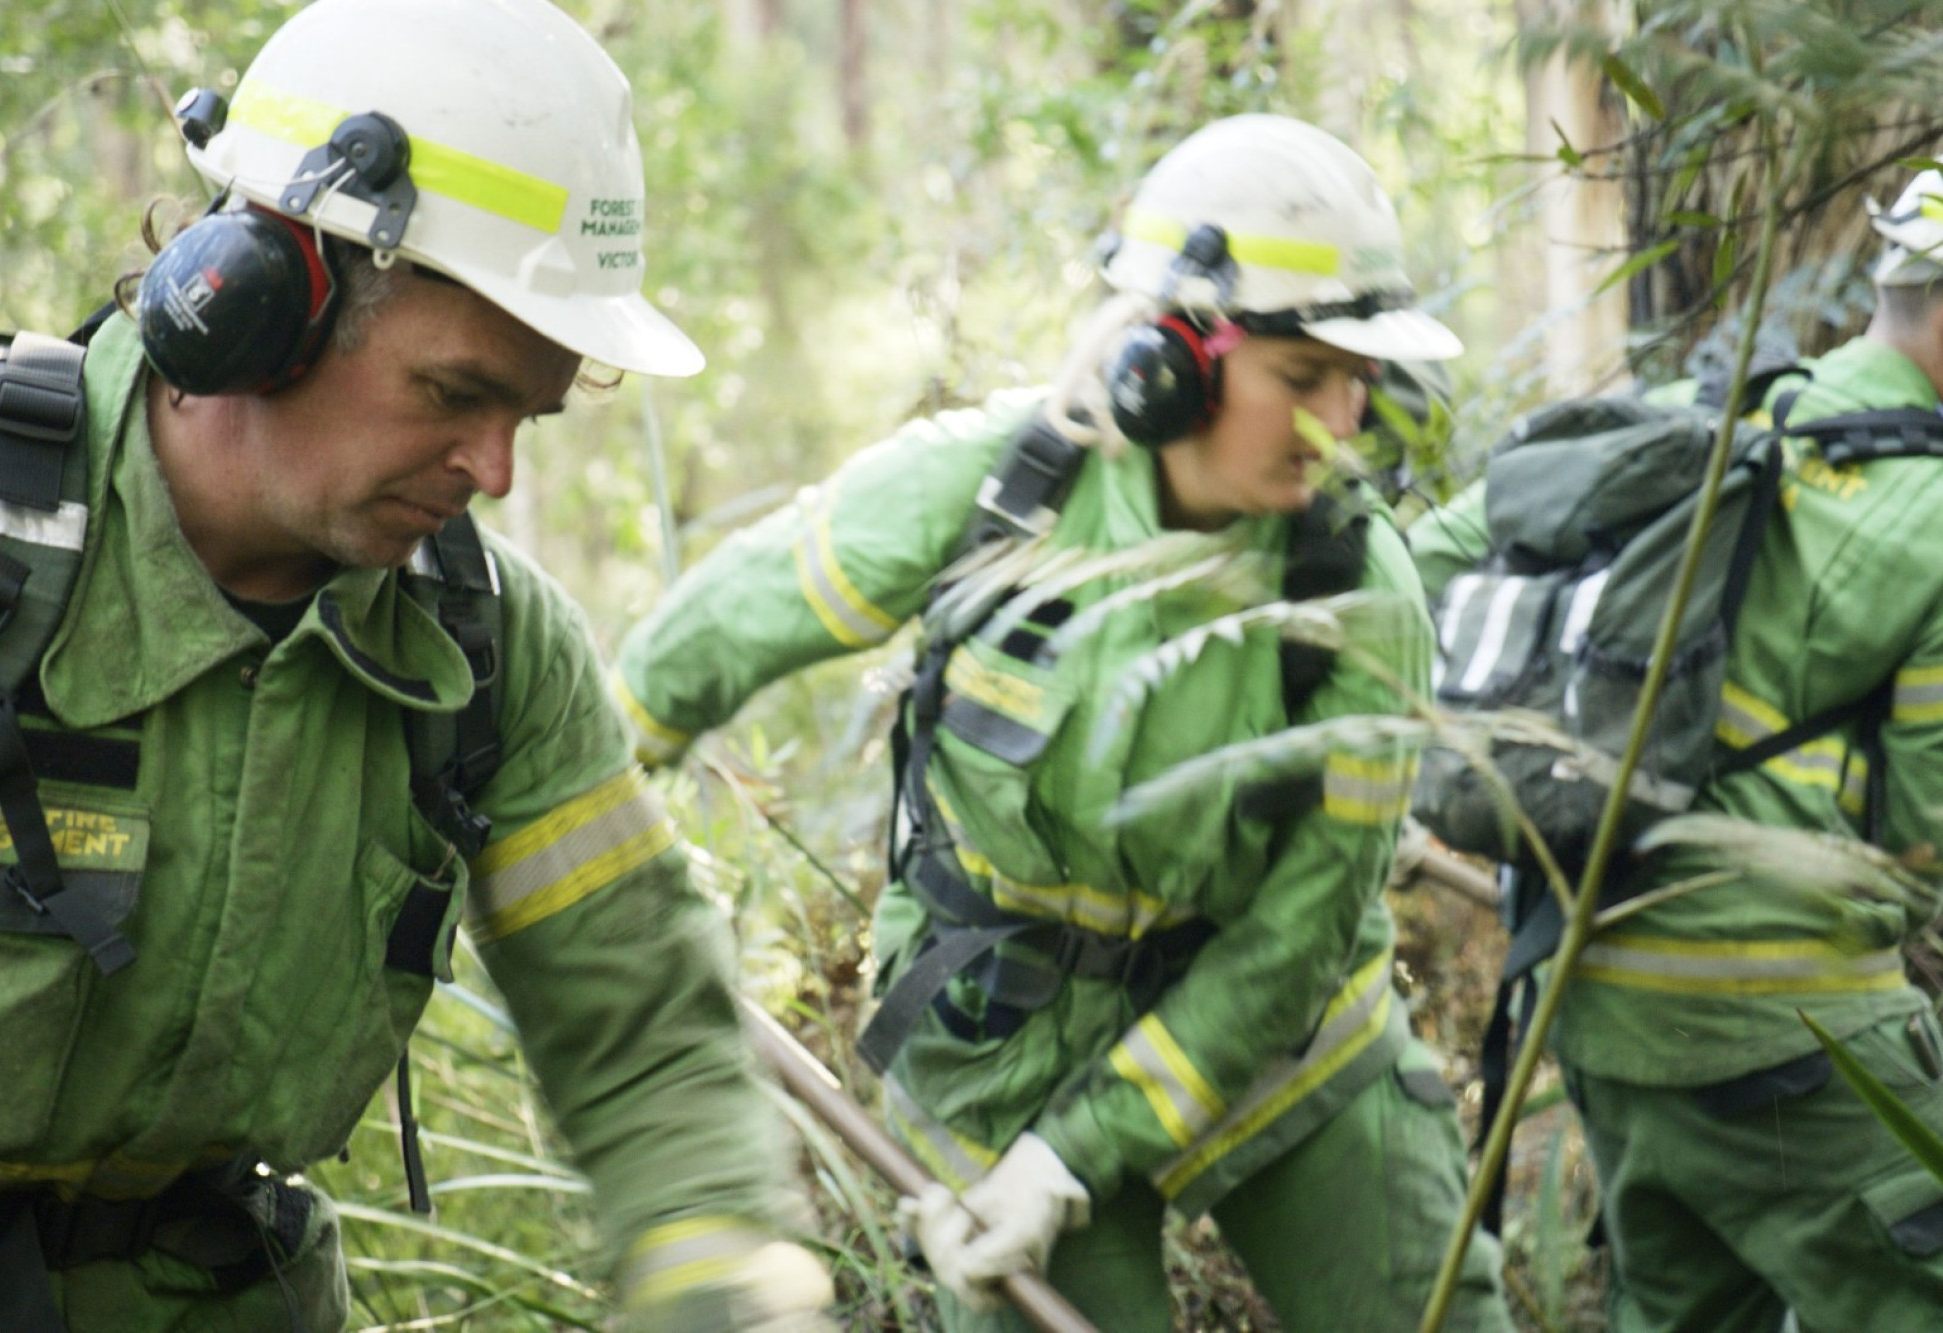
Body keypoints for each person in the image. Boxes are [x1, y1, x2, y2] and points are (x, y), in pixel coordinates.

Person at [0, 1, 834, 1329]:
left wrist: (726, 1289)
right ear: (259, 299)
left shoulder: (489, 650)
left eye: (525, 414)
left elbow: (645, 1036)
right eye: (454, 392)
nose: (497, 472)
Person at [614, 114, 1514, 1331]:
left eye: (1357, 381)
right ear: (1170, 359)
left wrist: (1083, 1151)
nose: (1339, 425)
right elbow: (718, 626)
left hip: (1275, 1023)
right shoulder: (990, 494)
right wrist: (591, 782)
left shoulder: (1360, 591)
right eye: (1301, 380)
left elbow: (1297, 935)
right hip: (1000, 1045)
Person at [1407, 169, 1943, 1332]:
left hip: (1595, 1010)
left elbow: (1421, 564)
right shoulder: (1933, 516)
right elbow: (1919, 835)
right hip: (1793, 1034)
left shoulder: (1700, 414)